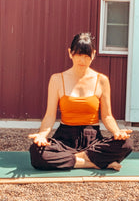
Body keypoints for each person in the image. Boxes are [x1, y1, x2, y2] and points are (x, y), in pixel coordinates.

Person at [28, 33, 133, 171]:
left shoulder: (102, 80)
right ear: (70, 54)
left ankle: (74, 158)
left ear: (93, 55)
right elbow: (49, 115)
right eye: (78, 55)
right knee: (36, 152)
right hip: (64, 138)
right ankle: (92, 162)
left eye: (86, 56)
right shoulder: (57, 79)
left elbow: (107, 116)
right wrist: (42, 136)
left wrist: (116, 132)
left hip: (92, 138)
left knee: (127, 144)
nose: (82, 60)